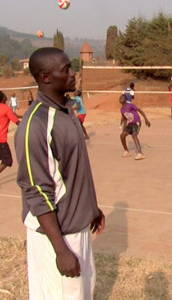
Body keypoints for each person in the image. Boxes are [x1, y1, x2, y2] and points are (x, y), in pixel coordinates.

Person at [14, 47, 105, 300]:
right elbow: (37, 191)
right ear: (45, 77)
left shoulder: (66, 110)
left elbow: (73, 170)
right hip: (57, 234)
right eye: (66, 69)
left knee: (83, 293)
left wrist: (91, 208)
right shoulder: (36, 125)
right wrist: (60, 250)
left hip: (77, 227)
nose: (73, 74)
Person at [119, 93, 151, 160]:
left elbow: (140, 111)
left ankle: (140, 153)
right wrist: (124, 128)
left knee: (134, 135)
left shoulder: (130, 105)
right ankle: (126, 151)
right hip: (130, 124)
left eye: (122, 98)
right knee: (122, 135)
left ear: (125, 99)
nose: (120, 99)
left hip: (136, 123)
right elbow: (125, 119)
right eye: (120, 98)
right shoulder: (122, 109)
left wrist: (146, 119)